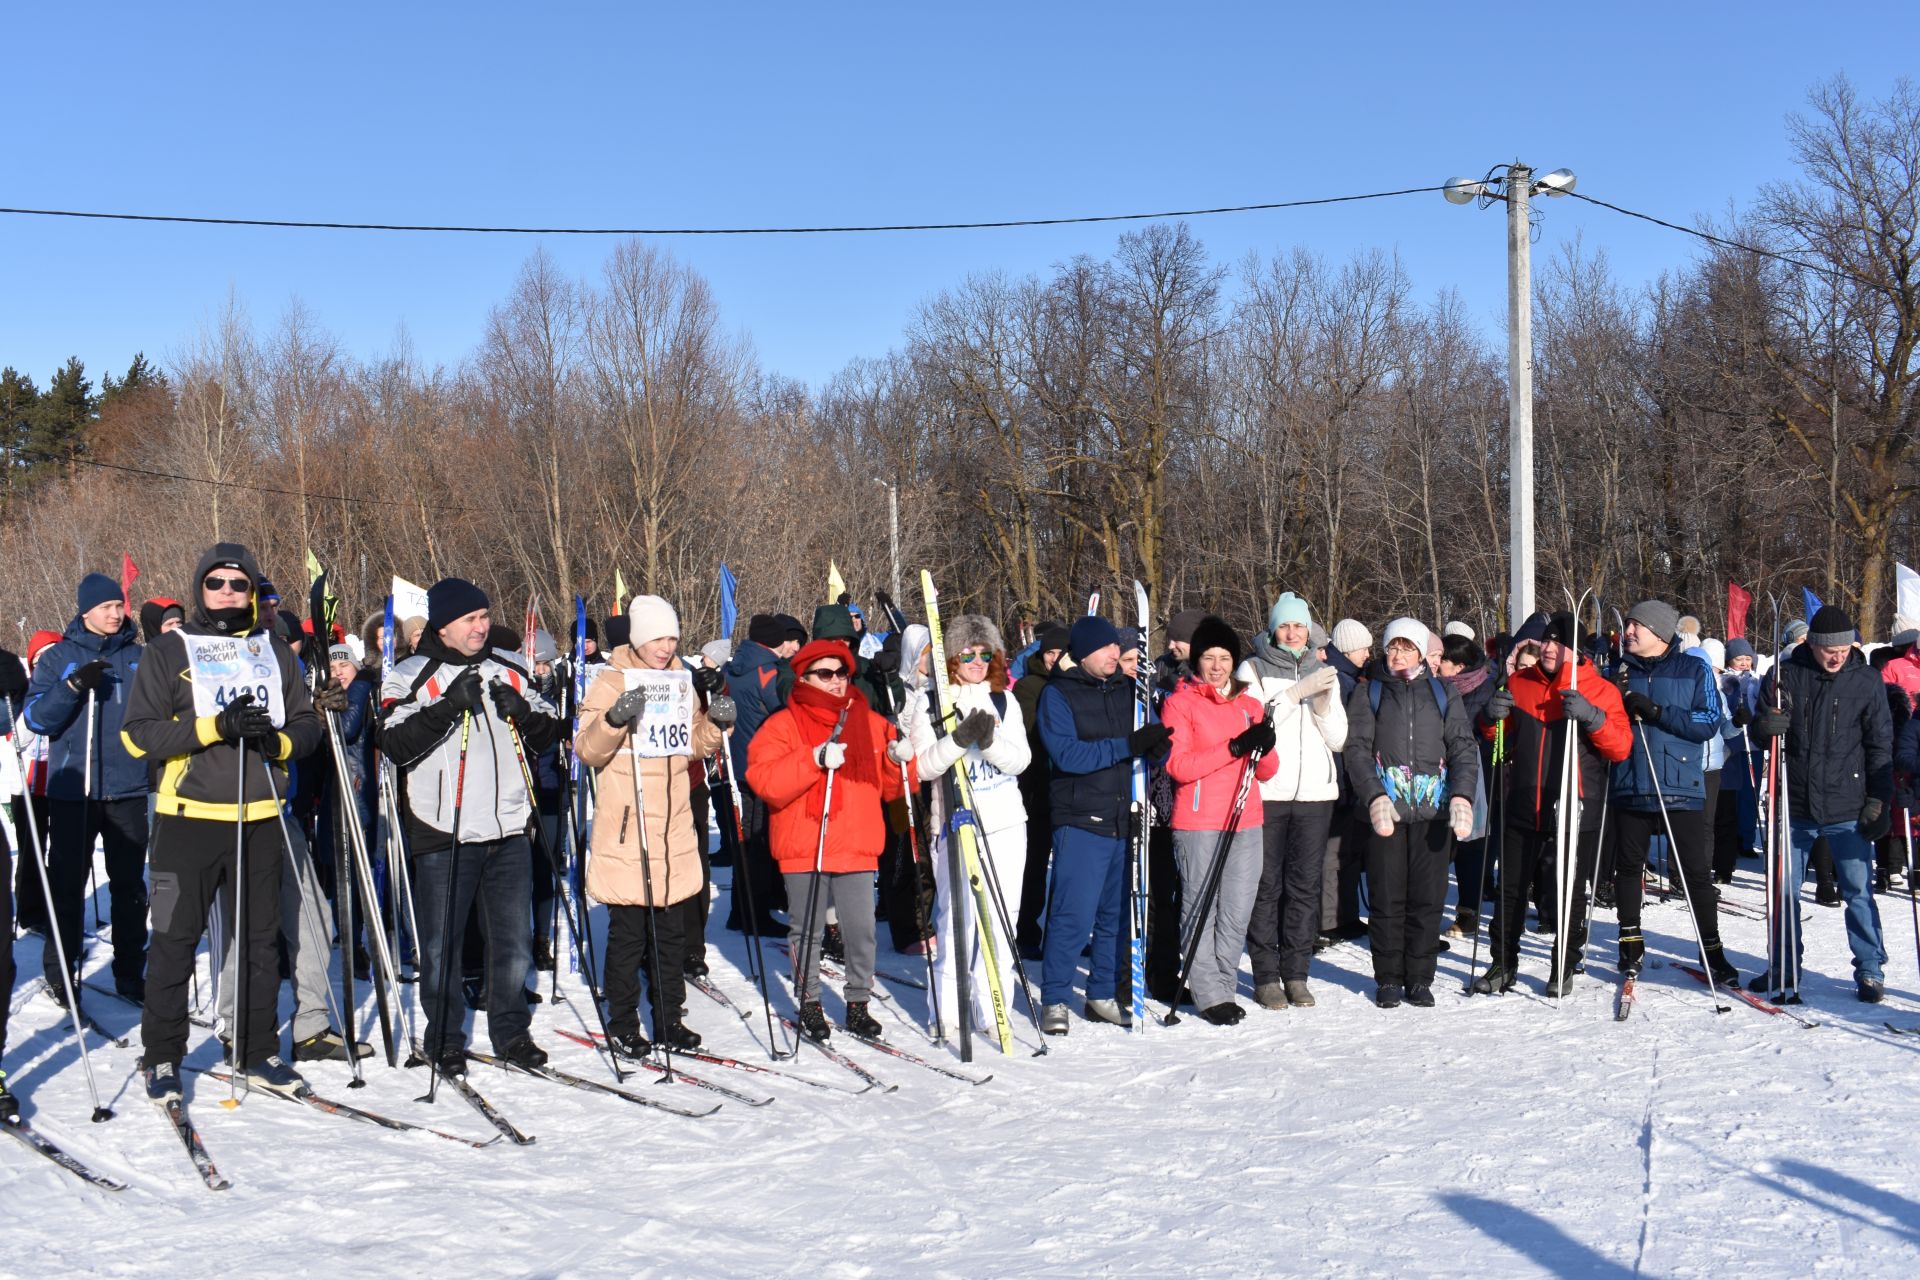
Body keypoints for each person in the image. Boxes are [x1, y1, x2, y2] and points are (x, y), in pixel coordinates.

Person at [122, 543, 324, 1100]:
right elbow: (136, 733)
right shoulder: (169, 650)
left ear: (254, 590)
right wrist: (214, 727)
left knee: (260, 944)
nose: (228, 593)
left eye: (239, 584)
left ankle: (256, 1049)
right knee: (171, 938)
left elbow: (307, 724)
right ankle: (162, 1054)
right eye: (216, 583)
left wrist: (275, 740)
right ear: (199, 590)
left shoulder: (275, 652)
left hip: (258, 819)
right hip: (183, 823)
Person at [380, 577, 563, 1076]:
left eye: (484, 617)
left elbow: (551, 734)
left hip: (507, 825)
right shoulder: (412, 673)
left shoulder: (511, 667)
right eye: (470, 619)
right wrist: (446, 707)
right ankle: (442, 1037)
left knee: (513, 941)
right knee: (441, 945)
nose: (482, 627)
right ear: (444, 625)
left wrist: (525, 713)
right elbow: (393, 743)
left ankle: (511, 1031)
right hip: (444, 828)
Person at [576, 595, 726, 1057]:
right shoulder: (611, 679)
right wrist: (616, 717)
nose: (666, 646)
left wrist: (719, 719)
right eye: (658, 637)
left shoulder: (682, 679)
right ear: (639, 639)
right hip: (628, 827)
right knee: (628, 934)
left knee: (671, 933)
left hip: (673, 825)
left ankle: (669, 1019)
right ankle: (623, 1022)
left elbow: (696, 745)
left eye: (672, 637)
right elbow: (587, 749)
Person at [747, 639, 910, 1042]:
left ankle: (858, 1004)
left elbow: (894, 790)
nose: (837, 682)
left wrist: (897, 759)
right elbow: (765, 781)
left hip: (857, 839)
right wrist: (813, 759)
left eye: (842, 674)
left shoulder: (870, 721)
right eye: (825, 674)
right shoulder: (782, 725)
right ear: (803, 678)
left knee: (861, 931)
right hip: (806, 842)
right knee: (807, 931)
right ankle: (810, 1002)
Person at [1475, 612, 1631, 995]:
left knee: (1569, 891)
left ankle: (1564, 963)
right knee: (1511, 888)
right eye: (1544, 641)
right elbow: (1499, 738)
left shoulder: (1600, 690)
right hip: (1525, 800)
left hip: (1576, 805)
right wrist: (1490, 717)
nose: (1546, 647)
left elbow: (1620, 748)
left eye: (1555, 642)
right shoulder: (1520, 682)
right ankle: (1502, 963)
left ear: (1574, 650)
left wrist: (1592, 717)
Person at [1034, 616, 1173, 1034]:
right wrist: (1127, 746)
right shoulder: (1058, 694)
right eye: (1106, 648)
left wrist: (1156, 748)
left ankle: (1100, 994)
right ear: (1083, 654)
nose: (1115, 654)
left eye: (1117, 647)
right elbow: (1068, 757)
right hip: (1081, 819)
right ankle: (1056, 997)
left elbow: (1148, 750)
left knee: (1116, 917)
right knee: (1072, 915)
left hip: (1123, 818)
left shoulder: (1130, 691)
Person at [1752, 605, 1893, 1002]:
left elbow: (1880, 745)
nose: (1837, 656)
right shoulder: (1783, 677)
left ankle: (1869, 969)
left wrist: (1879, 798)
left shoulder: (1866, 681)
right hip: (1793, 804)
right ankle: (1783, 964)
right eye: (1830, 649)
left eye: (1845, 649)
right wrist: (1765, 727)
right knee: (1784, 892)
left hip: (1848, 804)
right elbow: (1760, 731)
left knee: (1858, 891)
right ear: (1811, 644)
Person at [899, 614, 1031, 1040]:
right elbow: (923, 767)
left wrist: (988, 741)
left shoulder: (1003, 701)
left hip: (1007, 823)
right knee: (957, 921)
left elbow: (1021, 761)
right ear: (950, 659)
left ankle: (993, 1008)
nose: (977, 660)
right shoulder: (930, 702)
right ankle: (949, 1009)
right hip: (955, 825)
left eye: (984, 653)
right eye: (967, 653)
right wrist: (957, 740)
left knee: (1000, 920)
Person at [22, 572, 149, 1003]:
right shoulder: (59, 658)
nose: (116, 614)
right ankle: (61, 971)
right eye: (106, 607)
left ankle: (131, 973)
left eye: (119, 605)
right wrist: (73, 687)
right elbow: (37, 719)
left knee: (130, 888)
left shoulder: (138, 657)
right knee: (67, 885)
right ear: (86, 611)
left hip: (128, 788)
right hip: (76, 792)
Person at [1343, 618, 1478, 1008]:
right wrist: (1373, 797)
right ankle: (1387, 978)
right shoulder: (1370, 694)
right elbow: (1357, 750)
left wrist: (1462, 796)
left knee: (1428, 897)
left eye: (1407, 647)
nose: (1399, 654)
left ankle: (1419, 977)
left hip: (1433, 812)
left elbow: (1462, 746)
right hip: (1387, 812)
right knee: (1387, 898)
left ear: (1421, 652)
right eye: (1393, 647)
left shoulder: (1442, 693)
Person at [1608, 599, 1737, 988]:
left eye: (1636, 627)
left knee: (1696, 873)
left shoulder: (1693, 667)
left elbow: (1708, 721)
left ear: (1660, 633)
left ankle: (1712, 950)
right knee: (1628, 870)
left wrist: (1656, 711)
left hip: (1679, 786)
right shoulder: (1619, 671)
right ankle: (1630, 944)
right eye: (1628, 625)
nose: (1628, 632)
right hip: (1630, 781)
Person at [1163, 617, 1276, 1025]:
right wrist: (1234, 746)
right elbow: (1180, 766)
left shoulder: (1250, 705)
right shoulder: (1181, 702)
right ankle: (1208, 992)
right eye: (1208, 657)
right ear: (1196, 660)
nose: (1216, 666)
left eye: (1224, 657)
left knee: (1237, 908)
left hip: (1246, 817)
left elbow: (1266, 771)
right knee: (1201, 905)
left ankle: (1223, 985)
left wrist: (1265, 744)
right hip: (1199, 820)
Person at [1237, 593, 1345, 1010]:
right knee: (1266, 886)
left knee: (1304, 887)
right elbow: (1255, 724)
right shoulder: (1254, 668)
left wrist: (1321, 704)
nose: (1293, 632)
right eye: (1285, 625)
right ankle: (1266, 975)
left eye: (1299, 625)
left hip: (1316, 795)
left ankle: (1296, 973)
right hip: (1269, 792)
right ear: (1273, 629)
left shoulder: (1324, 669)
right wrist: (1297, 693)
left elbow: (1338, 738)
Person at [721, 612, 801, 934]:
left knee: (748, 839)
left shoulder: (735, 666)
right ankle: (753, 914)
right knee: (760, 842)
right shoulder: (768, 672)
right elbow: (787, 712)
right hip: (764, 766)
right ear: (775, 641)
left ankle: (742, 910)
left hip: (740, 763)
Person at [1437, 631, 1498, 940]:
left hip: (1477, 777)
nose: (1436, 665)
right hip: (1439, 774)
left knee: (1470, 846)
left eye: (1442, 660)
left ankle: (1469, 911)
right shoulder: (1436, 688)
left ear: (1458, 666)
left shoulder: (1483, 691)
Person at [1012, 623, 1068, 956]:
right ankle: (1026, 931)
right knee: (1034, 864)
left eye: (1061, 653)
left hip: (1068, 787)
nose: (1055, 659)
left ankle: (1060, 935)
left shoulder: (1079, 683)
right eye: (1050, 652)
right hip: (1036, 787)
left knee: (1066, 867)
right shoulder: (1029, 687)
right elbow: (1030, 733)